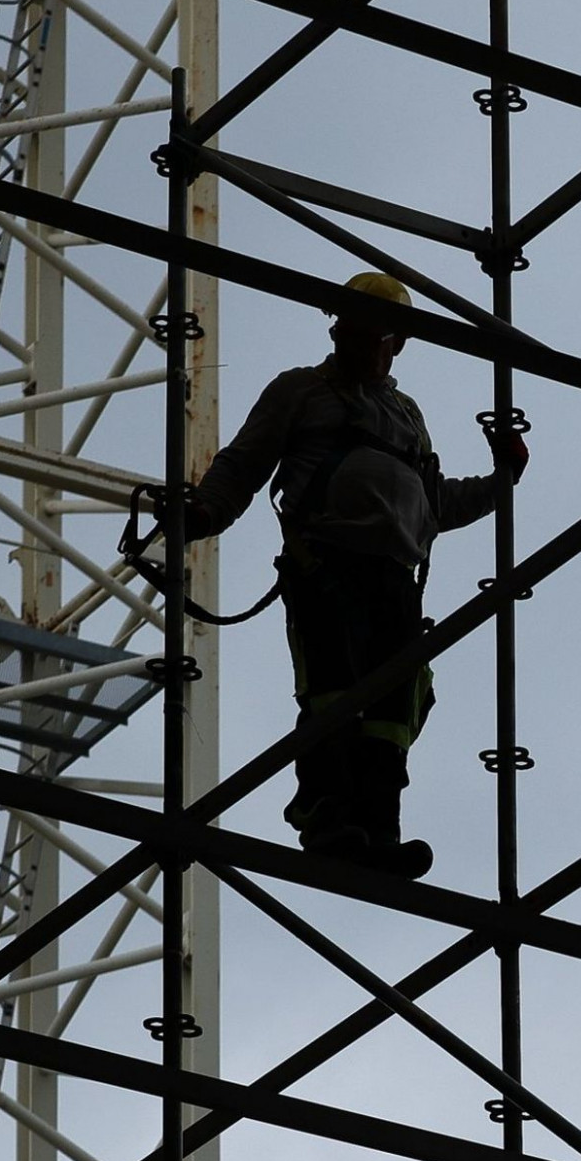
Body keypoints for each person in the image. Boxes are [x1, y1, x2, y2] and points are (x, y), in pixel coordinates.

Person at [184, 272, 527, 878]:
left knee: (394, 708)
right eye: (354, 323)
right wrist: (206, 511)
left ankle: (378, 830)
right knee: (336, 693)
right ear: (337, 326)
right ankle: (328, 820)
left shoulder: (406, 415)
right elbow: (245, 463)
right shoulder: (301, 391)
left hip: (395, 577)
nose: (362, 337)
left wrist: (503, 482)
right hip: (328, 568)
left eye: (376, 328)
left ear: (395, 340)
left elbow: (435, 504)